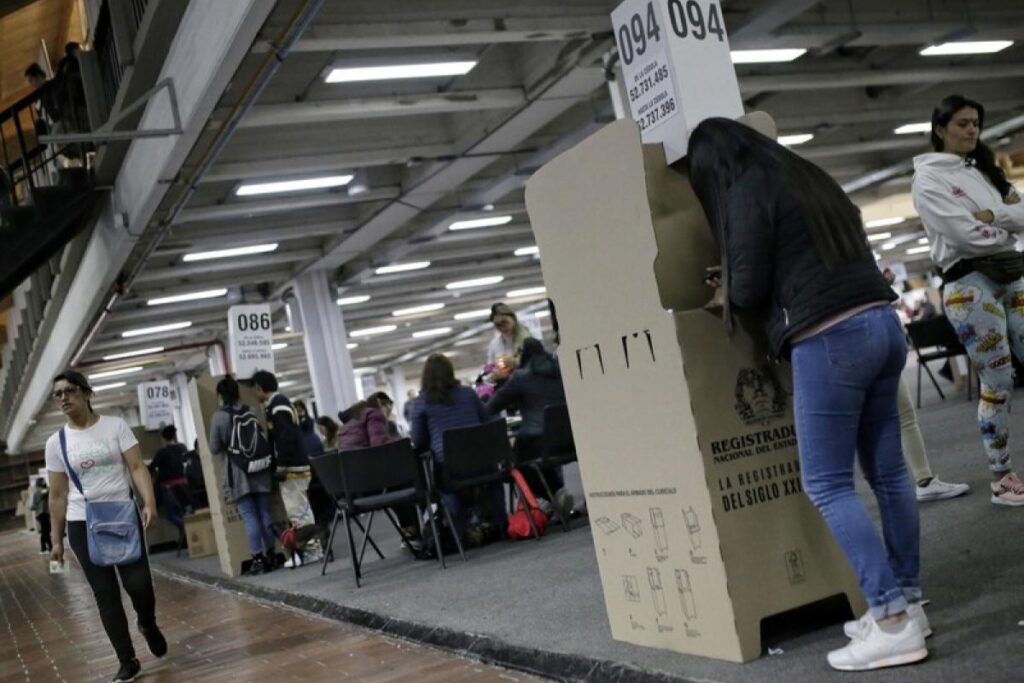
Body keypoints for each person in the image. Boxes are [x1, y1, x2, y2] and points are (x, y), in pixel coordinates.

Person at [688, 117, 927, 671]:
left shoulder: (746, 187)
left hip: (829, 337)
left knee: (825, 482)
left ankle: (890, 619)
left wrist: (724, 289)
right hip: (883, 325)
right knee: (889, 473)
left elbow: (747, 290)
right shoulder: (807, 175)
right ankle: (910, 603)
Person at [911, 94, 1024, 507]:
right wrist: (1005, 221)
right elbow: (963, 236)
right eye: (961, 123)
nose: (971, 129)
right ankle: (1001, 477)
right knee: (997, 382)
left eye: (975, 122)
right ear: (940, 129)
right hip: (968, 285)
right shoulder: (928, 180)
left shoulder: (986, 172)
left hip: (1011, 275)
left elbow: (1018, 215)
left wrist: (993, 217)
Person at [45, 370, 165, 683]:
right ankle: (127, 660)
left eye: (69, 391)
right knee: (105, 593)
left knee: (139, 584)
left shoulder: (115, 426)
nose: (63, 398)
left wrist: (149, 502)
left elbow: (137, 467)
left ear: (86, 393)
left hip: (122, 516)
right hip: (81, 523)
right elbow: (57, 496)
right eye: (57, 394)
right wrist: (55, 541)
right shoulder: (56, 443)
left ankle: (148, 623)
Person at [410, 353, 505, 536]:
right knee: (492, 479)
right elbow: (486, 422)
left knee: (441, 481)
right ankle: (501, 523)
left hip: (451, 469)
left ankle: (459, 532)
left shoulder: (421, 403)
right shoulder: (469, 393)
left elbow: (418, 440)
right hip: (484, 462)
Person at [487, 338, 573, 514]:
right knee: (536, 460)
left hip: (538, 440)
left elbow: (493, 405)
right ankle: (557, 493)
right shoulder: (560, 372)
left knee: (518, 463)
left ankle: (551, 495)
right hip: (569, 438)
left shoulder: (521, 377)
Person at [209, 375, 276, 575]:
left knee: (249, 515)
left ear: (220, 395)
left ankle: (257, 559)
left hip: (238, 472)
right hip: (260, 468)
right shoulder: (252, 410)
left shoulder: (219, 417)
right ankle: (272, 554)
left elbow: (213, 448)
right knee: (265, 513)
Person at [251, 370, 311, 526]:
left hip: (293, 468)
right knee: (298, 511)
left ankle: (312, 549)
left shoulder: (279, 406)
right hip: (295, 466)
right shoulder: (277, 404)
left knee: (299, 512)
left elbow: (286, 438)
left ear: (259, 387)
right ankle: (310, 547)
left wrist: (282, 465)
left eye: (254, 389)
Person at [149, 425, 192, 544]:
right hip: (184, 485)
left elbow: (151, 468)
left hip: (169, 488)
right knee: (183, 512)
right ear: (175, 435)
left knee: (171, 514)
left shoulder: (162, 452)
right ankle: (187, 534)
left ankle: (186, 528)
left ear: (163, 438)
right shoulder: (183, 448)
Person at [486, 302, 533, 378]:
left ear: (513, 319)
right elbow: (488, 368)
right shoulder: (494, 344)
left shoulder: (528, 338)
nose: (502, 327)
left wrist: (514, 363)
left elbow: (535, 363)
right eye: (498, 325)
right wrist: (493, 375)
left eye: (504, 322)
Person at [30, 477, 51, 554]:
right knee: (45, 531)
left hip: (42, 513)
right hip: (42, 513)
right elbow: (48, 490)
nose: (44, 482)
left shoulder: (37, 491)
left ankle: (50, 547)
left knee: (46, 531)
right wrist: (46, 484)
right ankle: (43, 548)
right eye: (43, 481)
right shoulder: (40, 491)